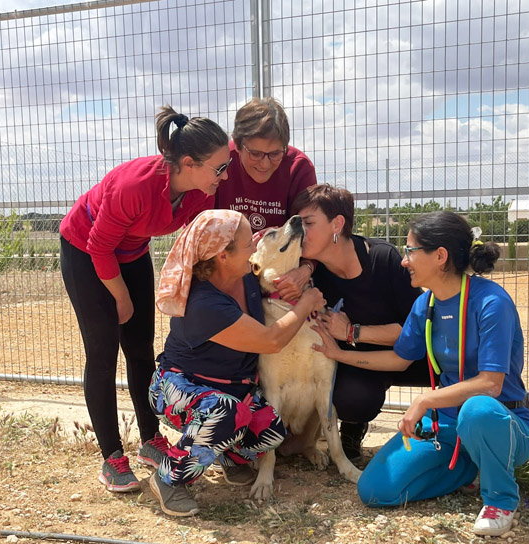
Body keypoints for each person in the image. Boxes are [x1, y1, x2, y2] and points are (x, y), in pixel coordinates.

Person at [312, 211, 529, 537]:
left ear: (440, 256)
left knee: (476, 409)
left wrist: (426, 399)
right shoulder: (425, 305)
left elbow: (491, 384)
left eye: (410, 251)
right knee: (375, 490)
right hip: (445, 425)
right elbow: (400, 359)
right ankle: (470, 466)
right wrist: (340, 352)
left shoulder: (491, 302)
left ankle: (500, 498)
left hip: (504, 422)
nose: (404, 261)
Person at [59, 106, 231, 493]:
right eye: (219, 168)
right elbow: (98, 247)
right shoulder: (134, 186)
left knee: (140, 349)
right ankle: (111, 458)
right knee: (102, 354)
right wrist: (120, 297)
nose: (224, 176)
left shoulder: (198, 192)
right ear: (188, 163)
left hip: (132, 252)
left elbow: (200, 243)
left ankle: (150, 441)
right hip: (86, 252)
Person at [149, 209, 326, 517]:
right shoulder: (204, 303)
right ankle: (168, 477)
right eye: (248, 243)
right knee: (226, 414)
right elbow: (270, 340)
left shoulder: (244, 279)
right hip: (180, 389)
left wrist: (304, 270)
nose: (254, 246)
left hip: (229, 390)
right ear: (221, 256)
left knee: (271, 428)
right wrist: (307, 304)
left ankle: (227, 454)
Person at [289, 184, 431, 462]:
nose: (299, 231)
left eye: (307, 223)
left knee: (457, 365)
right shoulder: (311, 272)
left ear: (337, 224)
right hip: (357, 361)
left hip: (409, 352)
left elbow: (415, 331)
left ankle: (478, 419)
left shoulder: (384, 259)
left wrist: (351, 331)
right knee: (353, 401)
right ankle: (353, 425)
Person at [215, 97, 317, 301]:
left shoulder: (299, 168)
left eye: (275, 154)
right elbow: (201, 233)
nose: (264, 164)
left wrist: (305, 270)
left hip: (279, 278)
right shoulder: (220, 163)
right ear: (237, 143)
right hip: (226, 271)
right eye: (255, 153)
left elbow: (312, 229)